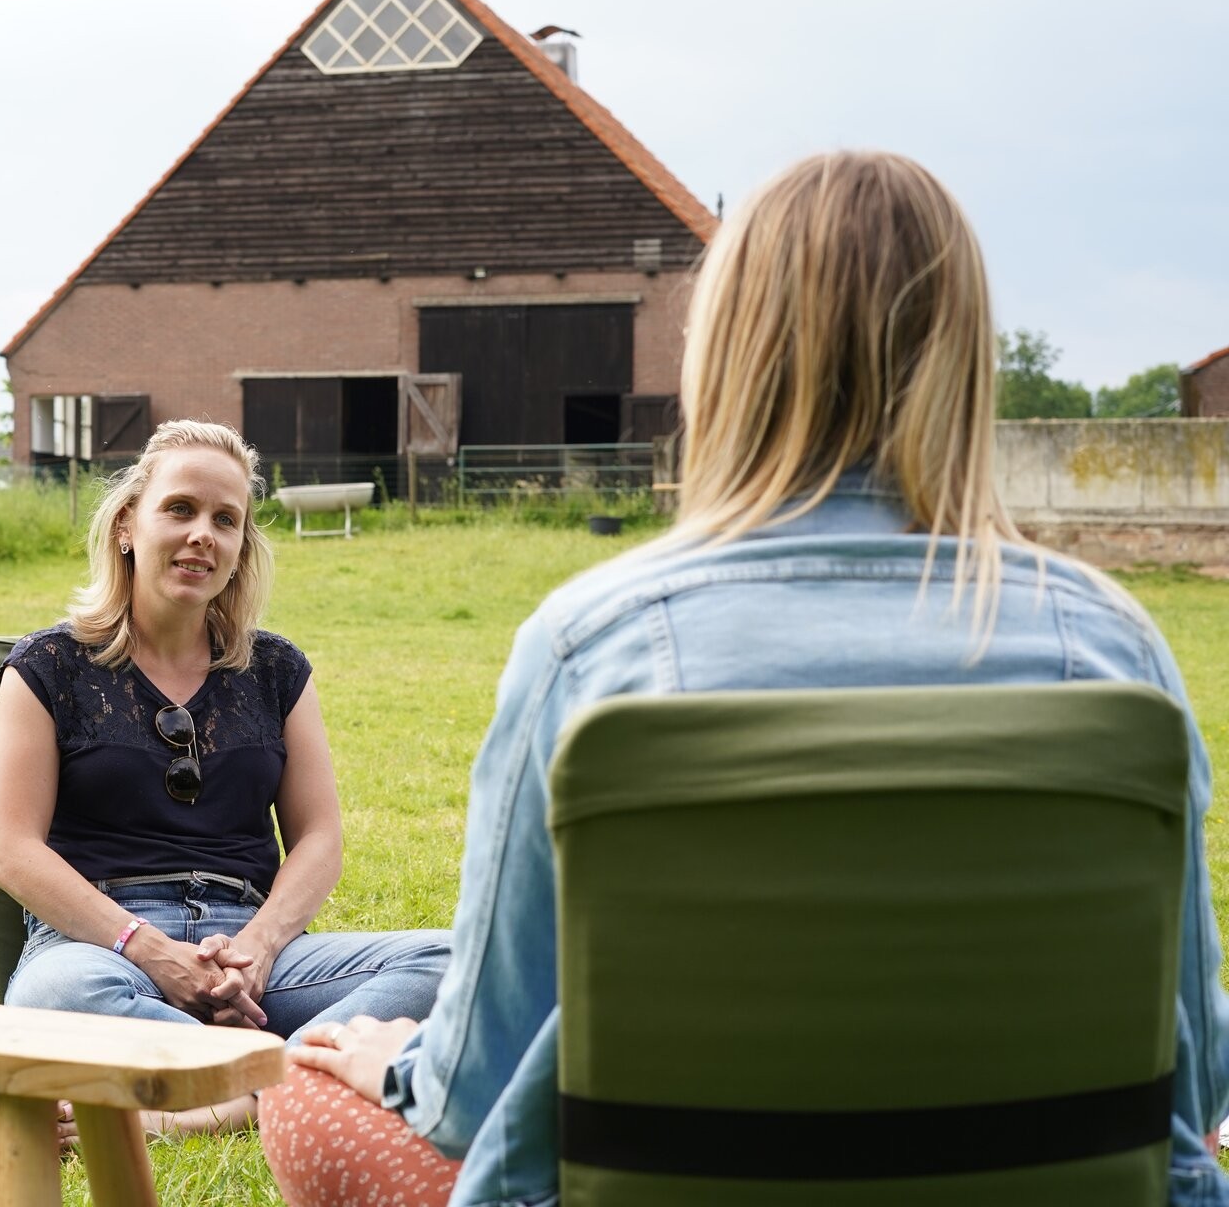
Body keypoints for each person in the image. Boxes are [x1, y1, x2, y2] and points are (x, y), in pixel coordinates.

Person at [259, 151, 1229, 1207]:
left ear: (725, 349)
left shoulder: (590, 649)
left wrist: (396, 1059)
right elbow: (1201, 1071)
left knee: (304, 1084)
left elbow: (473, 1086)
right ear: (964, 358)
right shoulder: (1114, 647)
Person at [0, 418, 451, 1139]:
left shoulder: (275, 671)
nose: (203, 533)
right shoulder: (47, 666)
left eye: (225, 520)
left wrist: (259, 949)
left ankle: (220, 1102)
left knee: (450, 961)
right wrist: (152, 951)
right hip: (102, 946)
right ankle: (292, 1076)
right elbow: (12, 850)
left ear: (240, 549)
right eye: (181, 509)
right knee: (54, 992)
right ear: (127, 527)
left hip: (254, 953)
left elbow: (320, 838)